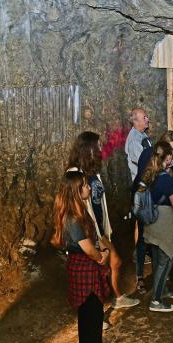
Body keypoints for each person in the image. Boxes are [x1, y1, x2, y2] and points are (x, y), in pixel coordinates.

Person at [67, 131, 139, 309]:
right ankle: (110, 300)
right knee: (108, 263)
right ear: (88, 148)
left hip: (99, 228)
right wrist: (95, 235)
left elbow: (100, 201)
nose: (100, 148)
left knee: (113, 262)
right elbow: (77, 205)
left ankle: (114, 298)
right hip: (89, 231)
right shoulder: (75, 174)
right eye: (97, 145)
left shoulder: (93, 172)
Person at [51, 170, 112, 343]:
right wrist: (101, 256)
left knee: (91, 314)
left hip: (85, 265)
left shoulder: (78, 211)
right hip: (84, 266)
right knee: (90, 314)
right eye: (85, 185)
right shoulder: (73, 218)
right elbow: (87, 248)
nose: (88, 188)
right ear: (77, 191)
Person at [139, 142, 173, 312]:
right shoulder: (165, 178)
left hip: (151, 220)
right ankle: (156, 300)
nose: (172, 157)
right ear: (166, 157)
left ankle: (162, 290)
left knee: (156, 257)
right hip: (163, 220)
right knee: (166, 259)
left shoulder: (149, 173)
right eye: (171, 155)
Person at [124, 108, 153, 286]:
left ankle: (143, 250)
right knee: (140, 220)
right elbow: (144, 163)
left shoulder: (142, 136)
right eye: (144, 117)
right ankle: (139, 253)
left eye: (146, 116)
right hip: (141, 186)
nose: (147, 119)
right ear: (135, 121)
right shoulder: (135, 140)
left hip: (144, 184)